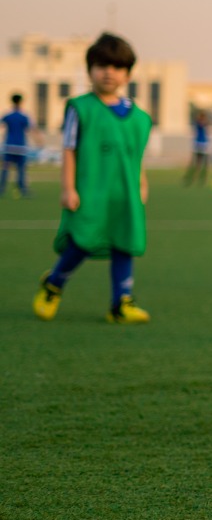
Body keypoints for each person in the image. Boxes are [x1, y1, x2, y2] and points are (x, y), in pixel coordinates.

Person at [33, 32, 154, 324]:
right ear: (90, 70)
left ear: (128, 74)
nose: (109, 72)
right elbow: (69, 149)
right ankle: (54, 284)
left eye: (117, 67)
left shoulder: (139, 117)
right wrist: (68, 188)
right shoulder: (80, 108)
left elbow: (134, 156)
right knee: (83, 241)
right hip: (91, 192)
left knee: (124, 243)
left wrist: (142, 183)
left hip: (124, 194)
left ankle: (120, 303)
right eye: (102, 65)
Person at [2, 93, 38, 198]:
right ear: (21, 102)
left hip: (9, 146)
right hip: (20, 147)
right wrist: (39, 140)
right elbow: (31, 129)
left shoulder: (8, 115)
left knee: (5, 169)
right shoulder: (24, 116)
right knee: (21, 170)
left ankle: (1, 189)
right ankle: (23, 189)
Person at [182, 109, 211, 186]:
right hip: (199, 143)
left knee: (204, 162)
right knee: (196, 161)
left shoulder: (204, 123)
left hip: (203, 143)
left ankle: (203, 177)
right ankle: (194, 176)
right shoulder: (198, 122)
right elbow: (201, 124)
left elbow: (206, 126)